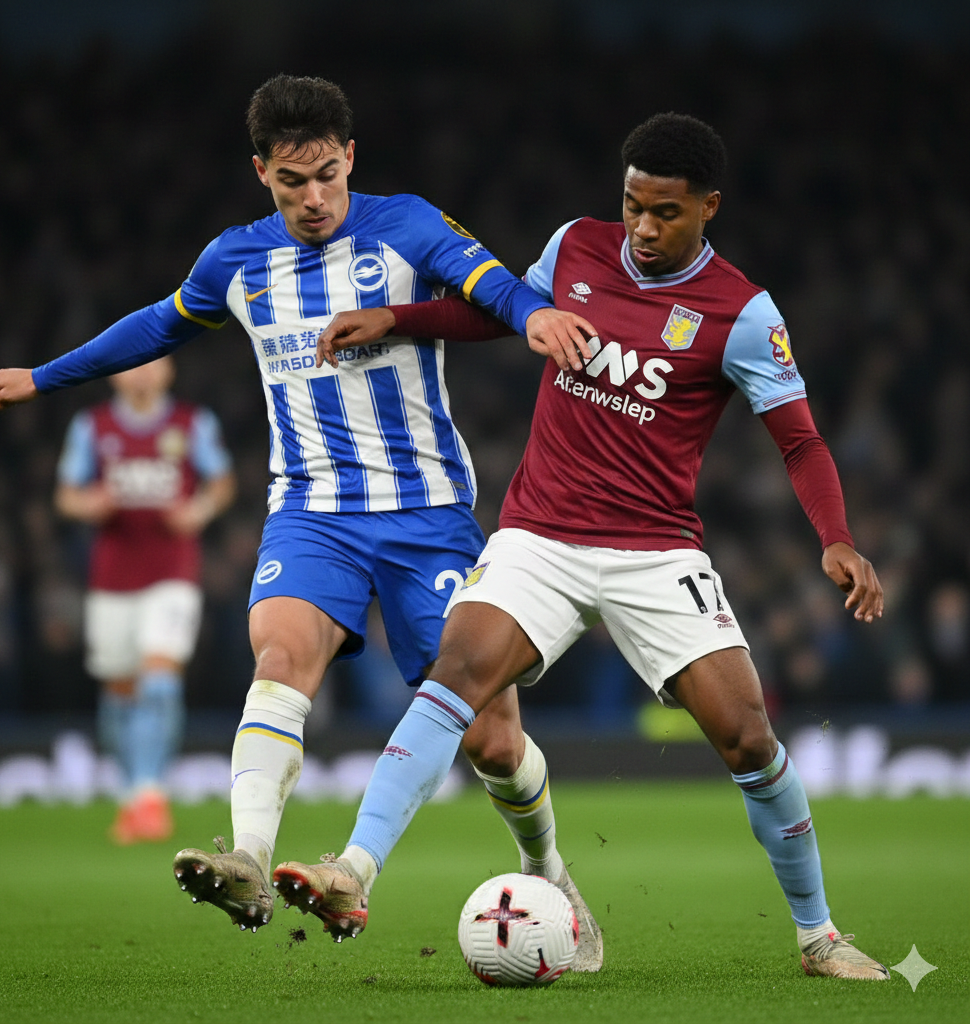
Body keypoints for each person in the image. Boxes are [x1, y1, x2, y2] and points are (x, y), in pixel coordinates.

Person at [0, 74, 604, 969]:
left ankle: (548, 870)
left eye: (325, 176)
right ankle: (249, 858)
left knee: (492, 737)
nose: (313, 199)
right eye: (289, 182)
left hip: (426, 511)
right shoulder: (234, 261)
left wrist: (535, 312)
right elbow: (158, 325)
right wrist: (46, 376)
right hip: (311, 508)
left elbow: (491, 286)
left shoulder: (406, 224)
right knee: (279, 656)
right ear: (260, 173)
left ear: (351, 158)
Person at [278, 113, 892, 981]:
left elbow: (798, 439)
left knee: (750, 739)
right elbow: (502, 315)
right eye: (634, 205)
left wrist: (837, 539)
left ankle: (818, 936)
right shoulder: (575, 247)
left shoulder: (743, 314)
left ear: (709, 207)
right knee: (454, 674)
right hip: (541, 535)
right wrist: (396, 318)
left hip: (656, 551)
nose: (643, 227)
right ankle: (353, 868)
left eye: (666, 212)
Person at [55, 355, 235, 843]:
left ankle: (150, 796)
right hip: (112, 580)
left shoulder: (191, 423)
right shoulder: (93, 426)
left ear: (169, 371)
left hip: (172, 574)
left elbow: (221, 483)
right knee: (118, 699)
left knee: (158, 680)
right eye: (132, 365)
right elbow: (67, 495)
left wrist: (197, 510)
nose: (141, 373)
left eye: (152, 364)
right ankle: (133, 792)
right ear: (115, 373)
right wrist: (89, 503)